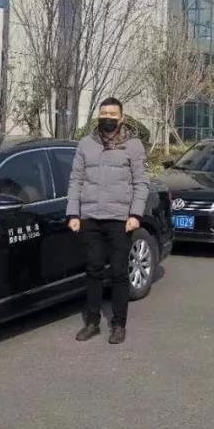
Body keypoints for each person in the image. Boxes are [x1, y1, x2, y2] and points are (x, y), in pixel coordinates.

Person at [67, 97, 148, 345]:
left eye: (113, 114)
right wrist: (73, 214)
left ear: (121, 118)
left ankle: (119, 324)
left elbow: (141, 183)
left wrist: (135, 215)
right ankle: (92, 322)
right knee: (93, 270)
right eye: (104, 113)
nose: (108, 118)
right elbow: (76, 180)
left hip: (120, 220)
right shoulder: (86, 144)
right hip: (91, 217)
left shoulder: (132, 146)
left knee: (119, 272)